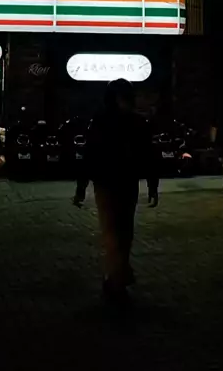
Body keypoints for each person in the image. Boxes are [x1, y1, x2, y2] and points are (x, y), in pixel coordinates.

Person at [73, 79, 159, 303]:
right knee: (119, 232)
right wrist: (152, 184)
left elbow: (89, 154)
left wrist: (81, 187)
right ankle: (118, 278)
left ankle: (116, 277)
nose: (130, 101)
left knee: (117, 232)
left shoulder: (105, 122)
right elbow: (148, 154)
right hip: (117, 182)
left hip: (113, 182)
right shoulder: (130, 122)